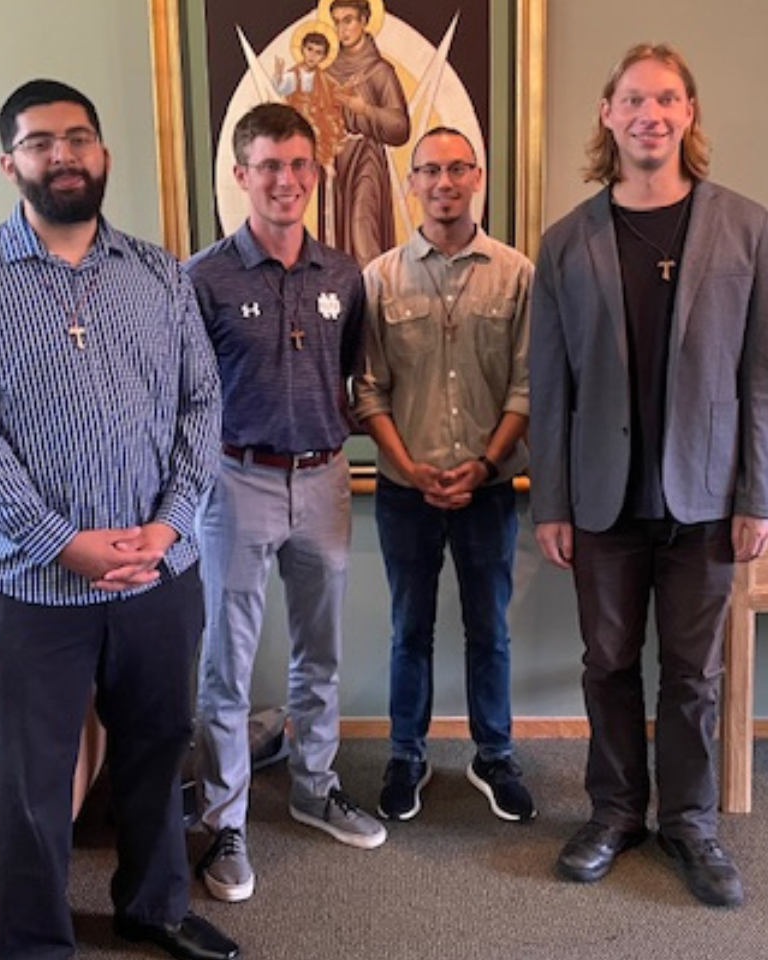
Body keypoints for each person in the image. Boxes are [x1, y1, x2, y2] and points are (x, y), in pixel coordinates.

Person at [0, 80, 238, 960]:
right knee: (34, 780)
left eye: (78, 136)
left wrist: (166, 528)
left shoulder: (160, 273)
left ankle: (153, 907)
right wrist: (65, 544)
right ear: (10, 164)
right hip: (29, 580)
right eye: (40, 142)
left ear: (104, 153)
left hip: (160, 574)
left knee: (159, 753)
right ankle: (36, 943)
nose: (64, 154)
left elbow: (203, 405)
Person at [529, 43, 768, 908]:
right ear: (608, 114)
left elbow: (761, 378)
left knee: (696, 673)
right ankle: (617, 811)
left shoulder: (747, 227)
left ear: (689, 114)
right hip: (600, 498)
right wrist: (549, 502)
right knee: (607, 661)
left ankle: (691, 823)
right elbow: (548, 385)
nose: (650, 114)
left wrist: (758, 496)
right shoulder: (566, 243)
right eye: (633, 99)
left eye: (666, 99)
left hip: (707, 496)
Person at [187, 102, 386, 906]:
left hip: (326, 479)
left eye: (300, 165)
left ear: (317, 173)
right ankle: (225, 818)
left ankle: (313, 788)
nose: (286, 180)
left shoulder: (344, 275)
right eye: (269, 165)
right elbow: (188, 399)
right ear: (241, 175)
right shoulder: (203, 277)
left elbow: (356, 380)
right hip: (237, 481)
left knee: (321, 652)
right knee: (227, 664)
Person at [353, 127, 536, 824]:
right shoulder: (379, 278)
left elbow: (529, 384)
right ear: (410, 184)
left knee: (489, 628)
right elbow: (367, 388)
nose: (444, 182)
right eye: (429, 170)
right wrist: (408, 467)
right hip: (406, 492)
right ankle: (407, 754)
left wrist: (485, 463)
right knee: (410, 629)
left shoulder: (518, 274)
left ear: (478, 176)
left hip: (489, 490)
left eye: (457, 168)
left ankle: (495, 755)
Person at [324, 0, 410, 267]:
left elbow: (400, 127)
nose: (342, 29)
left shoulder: (380, 71)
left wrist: (366, 110)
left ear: (364, 20)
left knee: (363, 232)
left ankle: (373, 300)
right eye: (337, 22)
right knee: (336, 237)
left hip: (366, 159)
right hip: (336, 160)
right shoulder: (327, 73)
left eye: (348, 20)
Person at [273, 29, 345, 173]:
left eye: (318, 53)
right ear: (302, 50)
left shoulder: (325, 79)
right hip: (297, 116)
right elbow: (279, 90)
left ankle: (326, 160)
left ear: (324, 57)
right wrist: (278, 76)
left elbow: (335, 96)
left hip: (318, 116)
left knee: (324, 128)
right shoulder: (293, 75)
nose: (312, 56)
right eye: (310, 49)